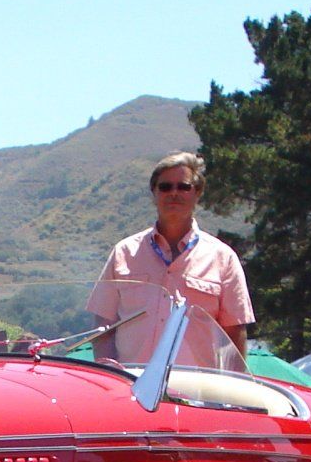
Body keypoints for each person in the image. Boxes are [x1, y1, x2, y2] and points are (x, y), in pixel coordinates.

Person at [88, 151, 253, 366]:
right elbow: (104, 326)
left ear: (198, 193)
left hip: (197, 393)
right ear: (154, 193)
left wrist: (229, 391)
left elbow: (234, 333)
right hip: (132, 389)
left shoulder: (223, 258)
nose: (174, 193)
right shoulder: (124, 253)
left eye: (183, 187)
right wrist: (111, 375)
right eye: (165, 187)